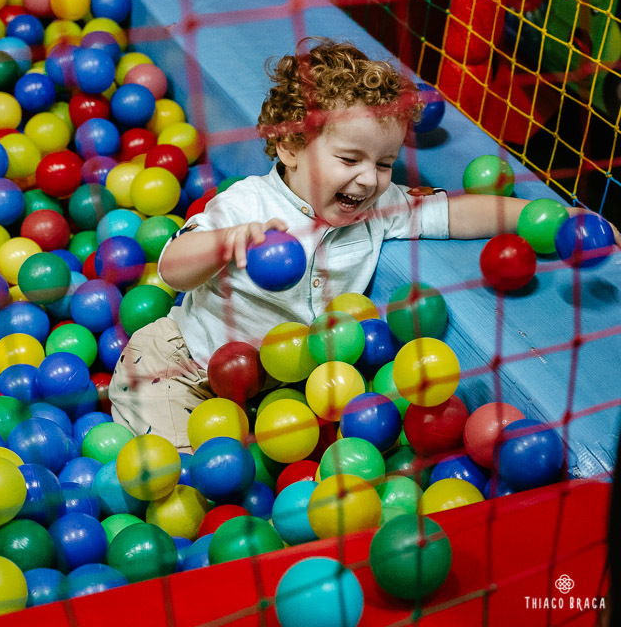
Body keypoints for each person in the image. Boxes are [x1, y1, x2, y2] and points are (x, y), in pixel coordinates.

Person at [108, 37, 621, 449]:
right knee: (196, 465)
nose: (369, 180)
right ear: (289, 144)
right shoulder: (248, 207)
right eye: (349, 159)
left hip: (282, 384)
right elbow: (173, 268)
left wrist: (549, 220)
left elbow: (459, 212)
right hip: (184, 365)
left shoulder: (381, 209)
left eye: (383, 163)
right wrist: (226, 243)